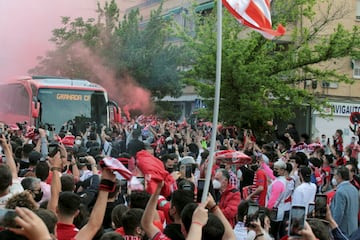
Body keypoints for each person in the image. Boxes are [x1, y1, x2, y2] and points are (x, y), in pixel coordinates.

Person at [330, 166, 359, 237]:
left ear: (339, 176)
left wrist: (333, 230)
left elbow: (338, 214)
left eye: (335, 175)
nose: (334, 177)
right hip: (354, 228)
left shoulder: (340, 192)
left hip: (343, 231)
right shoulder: (354, 189)